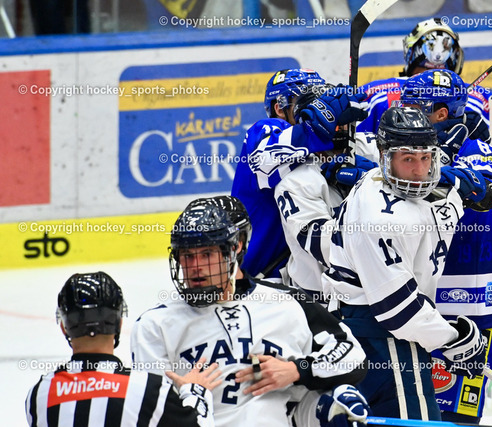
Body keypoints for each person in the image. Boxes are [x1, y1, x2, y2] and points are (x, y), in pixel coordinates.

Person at [130, 198, 370, 426]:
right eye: (187, 256)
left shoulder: (286, 302)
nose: (195, 267)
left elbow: (352, 356)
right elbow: (145, 412)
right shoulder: (155, 325)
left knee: (342, 401)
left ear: (236, 249)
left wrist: (297, 370)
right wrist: (189, 393)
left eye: (206, 254)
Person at [322, 106, 488, 421]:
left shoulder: (379, 181)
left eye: (426, 158)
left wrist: (455, 188)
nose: (418, 171)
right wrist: (454, 340)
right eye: (408, 159)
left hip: (365, 333)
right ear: (384, 156)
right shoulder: (379, 218)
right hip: (384, 339)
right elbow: (399, 311)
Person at [400, 69, 492, 424]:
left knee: (454, 418)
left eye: (414, 106)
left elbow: (486, 190)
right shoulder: (413, 150)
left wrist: (441, 169)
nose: (404, 111)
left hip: (476, 300)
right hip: (430, 297)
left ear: (441, 113)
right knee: (422, 411)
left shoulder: (474, 147)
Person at [357, 18, 492, 237]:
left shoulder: (375, 93)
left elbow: (350, 150)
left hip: (386, 222)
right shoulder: (479, 100)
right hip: (461, 230)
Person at [25, 271, 220, 427]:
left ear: (63, 327)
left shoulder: (39, 394)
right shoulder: (148, 389)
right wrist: (195, 389)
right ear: (119, 324)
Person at [231, 68, 368, 279]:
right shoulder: (267, 130)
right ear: (279, 107)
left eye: (320, 100)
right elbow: (265, 157)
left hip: (295, 276)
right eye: (306, 102)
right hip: (256, 279)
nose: (316, 108)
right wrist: (314, 126)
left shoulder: (314, 149)